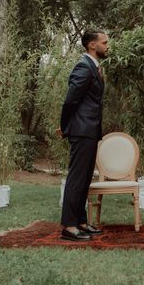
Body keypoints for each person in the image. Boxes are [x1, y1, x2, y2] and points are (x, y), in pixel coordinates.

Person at [58, 29, 109, 241]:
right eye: (104, 42)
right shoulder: (83, 66)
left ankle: (79, 221)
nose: (107, 46)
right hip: (81, 129)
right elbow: (71, 100)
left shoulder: (93, 67)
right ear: (92, 45)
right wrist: (65, 126)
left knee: (85, 177)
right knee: (77, 178)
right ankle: (69, 226)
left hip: (89, 129)